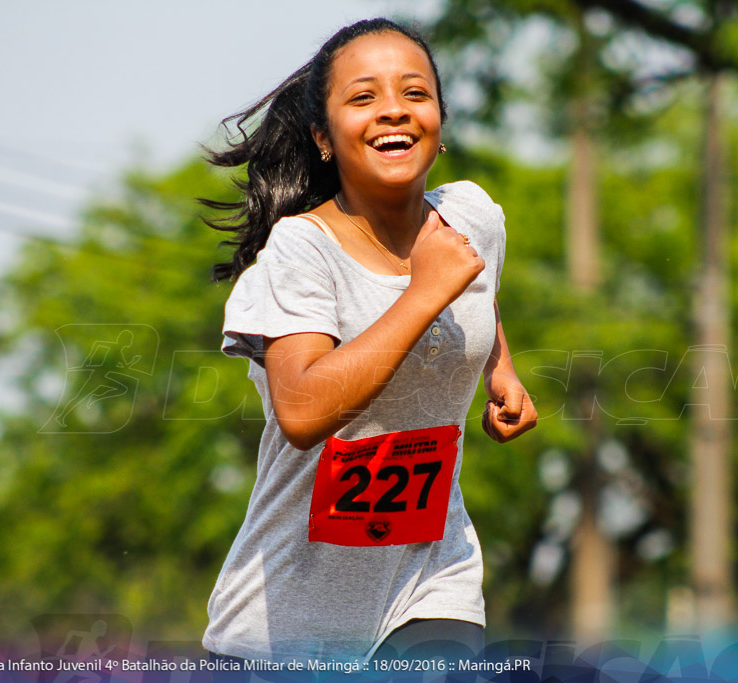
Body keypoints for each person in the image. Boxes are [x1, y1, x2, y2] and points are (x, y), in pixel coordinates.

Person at [200, 17, 537, 663]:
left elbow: (480, 288)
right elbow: (300, 410)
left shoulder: (472, 217)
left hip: (432, 582)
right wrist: (422, 292)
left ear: (440, 123)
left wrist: (502, 369)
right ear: (323, 137)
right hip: (284, 626)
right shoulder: (301, 252)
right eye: (363, 97)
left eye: (415, 94)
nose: (394, 112)